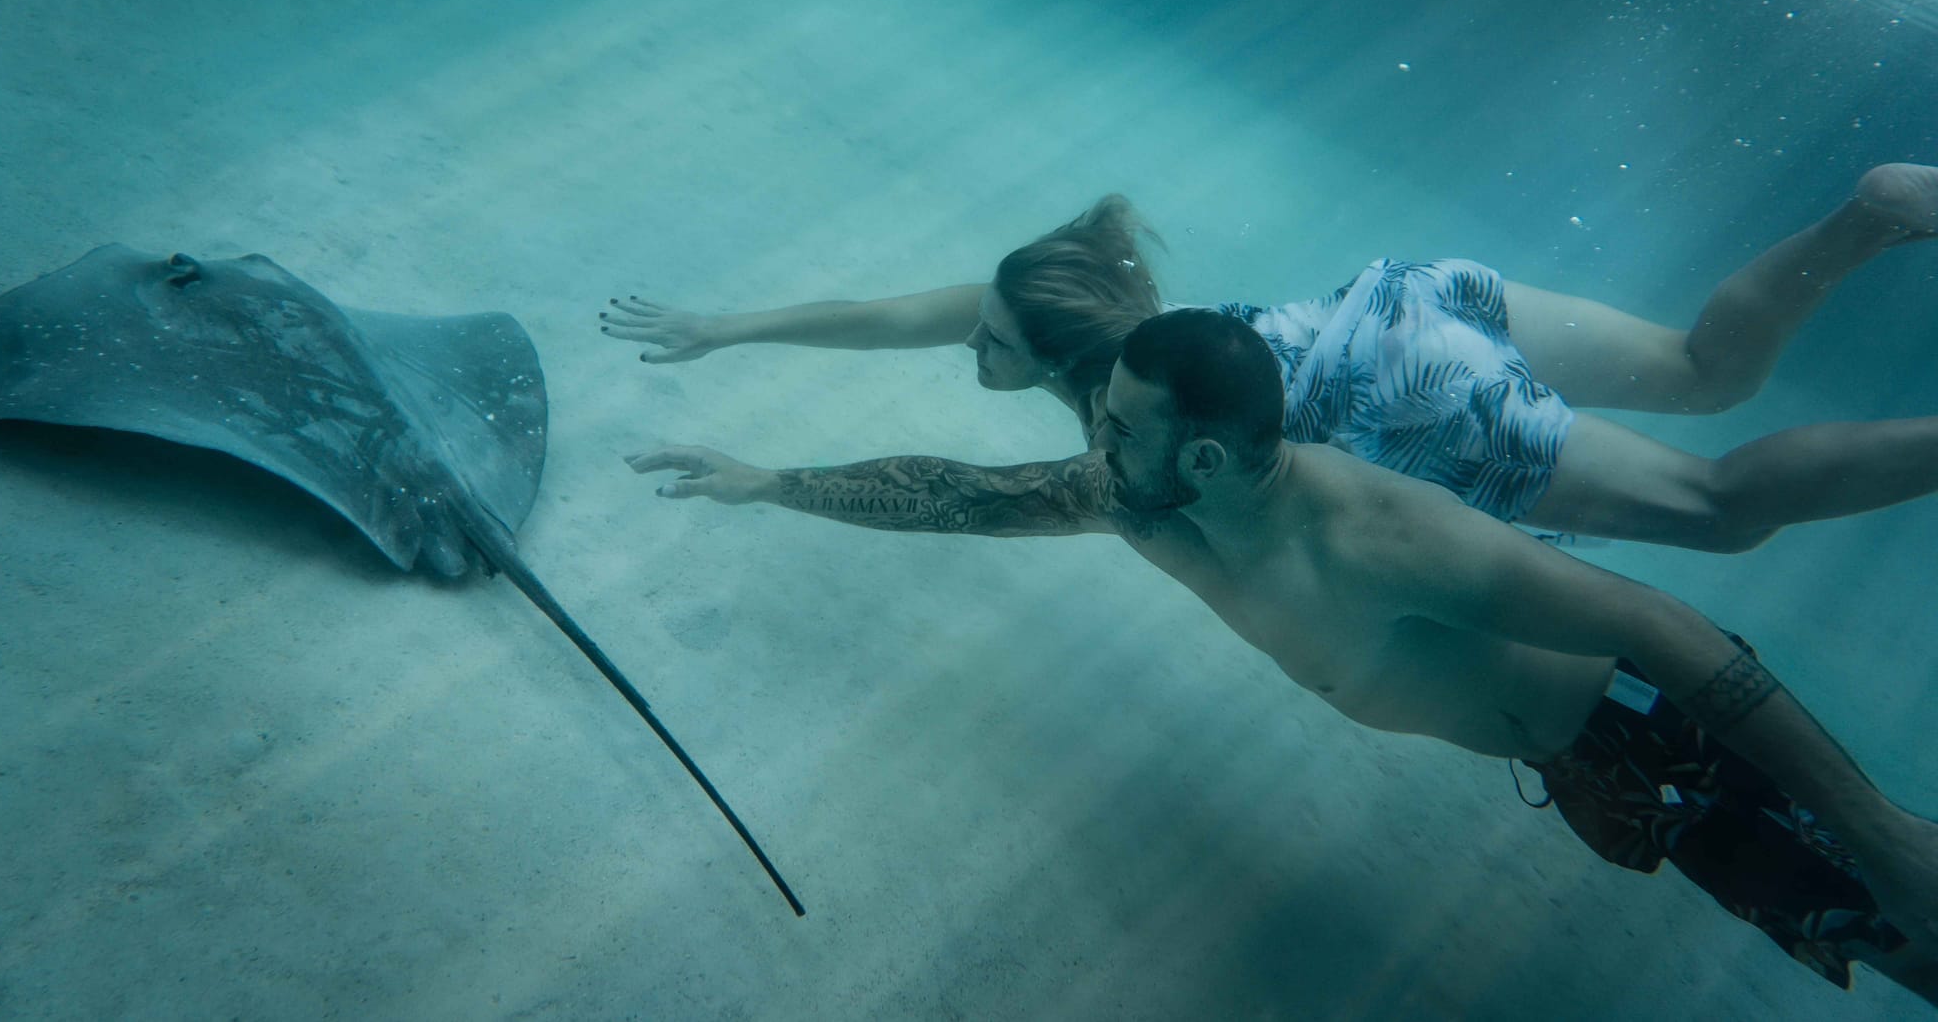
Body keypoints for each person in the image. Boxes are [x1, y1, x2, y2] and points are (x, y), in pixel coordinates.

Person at [626, 306, 1938, 1001]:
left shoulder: (1372, 530)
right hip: (1606, 774)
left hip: (1669, 736)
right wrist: (768, 481)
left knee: (1907, 922)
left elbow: (1664, 627)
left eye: (1121, 424)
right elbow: (963, 492)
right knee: (1877, 941)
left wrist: (1875, 823)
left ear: (1200, 456)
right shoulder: (1140, 496)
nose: (1094, 441)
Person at [603, 163, 1938, 553]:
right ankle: (1873, 215)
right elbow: (889, 312)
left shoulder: (1128, 431)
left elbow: (962, 493)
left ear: (1059, 345)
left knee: (1717, 510)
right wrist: (729, 327)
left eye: (992, 345)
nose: (971, 350)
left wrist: (770, 480)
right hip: (1408, 297)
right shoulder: (1081, 308)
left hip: (1418, 396)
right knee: (1712, 372)